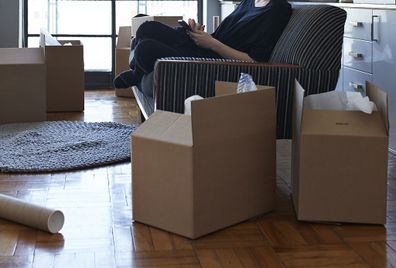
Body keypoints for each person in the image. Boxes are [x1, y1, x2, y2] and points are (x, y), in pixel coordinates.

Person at [114, 0, 292, 89]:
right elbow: (221, 36)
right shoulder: (249, 2)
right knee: (146, 27)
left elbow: (256, 61)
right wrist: (199, 33)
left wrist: (212, 44)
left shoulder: (278, 10)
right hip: (205, 46)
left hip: (215, 60)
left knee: (145, 48)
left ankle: (137, 73)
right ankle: (138, 72)